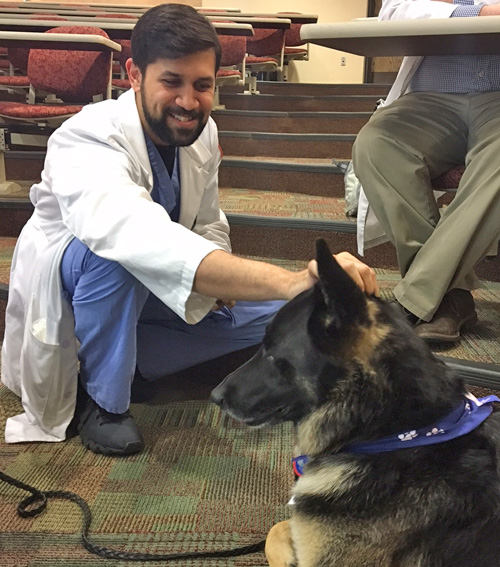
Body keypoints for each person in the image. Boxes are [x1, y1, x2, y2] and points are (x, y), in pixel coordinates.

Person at [1, 4, 378, 456]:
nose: (188, 101)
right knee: (114, 260)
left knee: (299, 305)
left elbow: (209, 221)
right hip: (84, 290)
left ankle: (134, 355)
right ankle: (104, 401)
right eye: (171, 82)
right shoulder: (85, 136)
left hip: (152, 293)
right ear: (135, 74)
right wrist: (290, 278)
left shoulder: (202, 132)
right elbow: (132, 235)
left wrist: (232, 286)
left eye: (202, 85)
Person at [353, 0, 500, 343]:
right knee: (376, 143)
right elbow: (393, 10)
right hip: (432, 98)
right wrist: (478, 13)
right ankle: (451, 296)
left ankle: (416, 300)